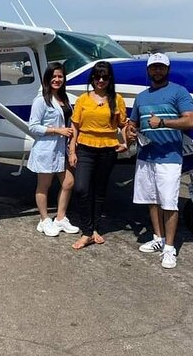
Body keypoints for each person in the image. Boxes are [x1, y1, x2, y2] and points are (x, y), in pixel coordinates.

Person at [126, 53, 193, 269]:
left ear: (167, 69)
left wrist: (163, 122)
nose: (157, 71)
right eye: (153, 68)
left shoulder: (179, 92)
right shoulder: (142, 97)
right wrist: (130, 132)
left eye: (161, 67)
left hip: (169, 157)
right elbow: (134, 123)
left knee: (169, 203)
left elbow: (191, 121)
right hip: (146, 156)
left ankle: (169, 248)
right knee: (152, 199)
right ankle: (158, 237)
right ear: (148, 70)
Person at [68, 61, 128, 249]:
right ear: (92, 79)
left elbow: (123, 124)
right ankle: (86, 231)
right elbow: (75, 126)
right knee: (81, 188)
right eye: (97, 77)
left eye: (105, 77)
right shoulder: (83, 100)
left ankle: (94, 230)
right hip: (85, 148)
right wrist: (72, 151)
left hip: (108, 149)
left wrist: (126, 142)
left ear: (110, 79)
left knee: (99, 190)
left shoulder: (116, 99)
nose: (101, 80)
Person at [27, 62, 79, 236]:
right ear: (47, 79)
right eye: (54, 76)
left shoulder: (64, 99)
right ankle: (44, 220)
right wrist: (57, 130)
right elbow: (33, 127)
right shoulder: (41, 100)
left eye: (60, 76)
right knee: (44, 185)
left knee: (68, 182)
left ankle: (60, 218)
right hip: (46, 149)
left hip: (61, 149)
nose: (57, 80)